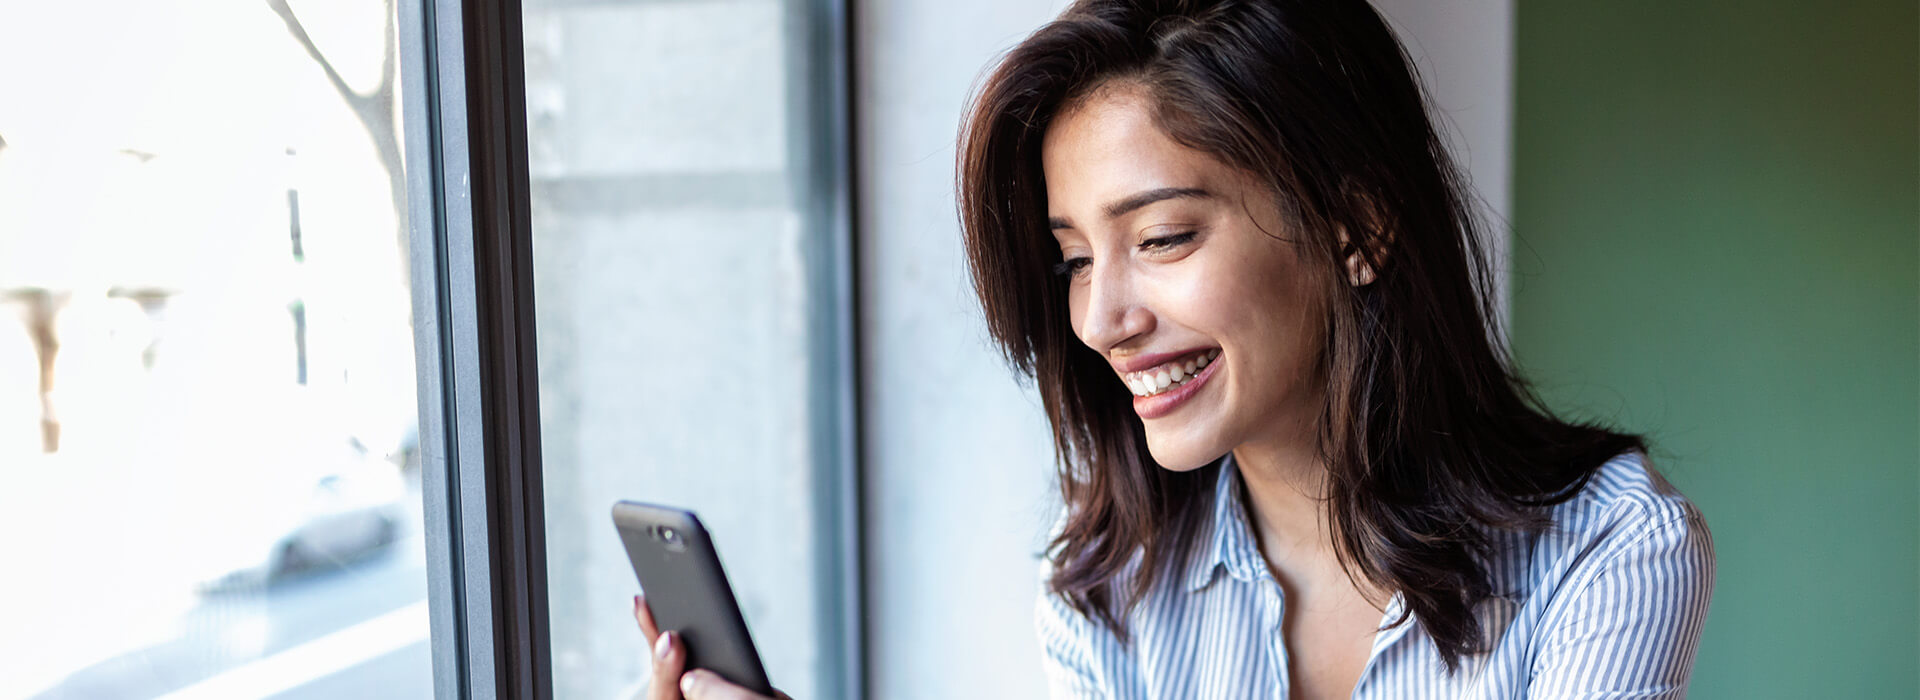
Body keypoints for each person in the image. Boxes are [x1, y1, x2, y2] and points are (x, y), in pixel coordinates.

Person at [634, 1, 1714, 697]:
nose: (1104, 319)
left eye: (1161, 238)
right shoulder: (1112, 585)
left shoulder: (1608, 551)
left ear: (1358, 228)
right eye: (1072, 259)